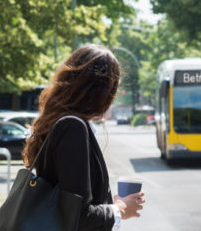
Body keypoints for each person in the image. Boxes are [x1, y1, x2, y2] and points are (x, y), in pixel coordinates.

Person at [22, 44, 145, 231]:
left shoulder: (58, 123)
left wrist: (110, 205)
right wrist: (119, 210)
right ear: (103, 91)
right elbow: (79, 217)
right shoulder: (73, 128)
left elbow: (66, 202)